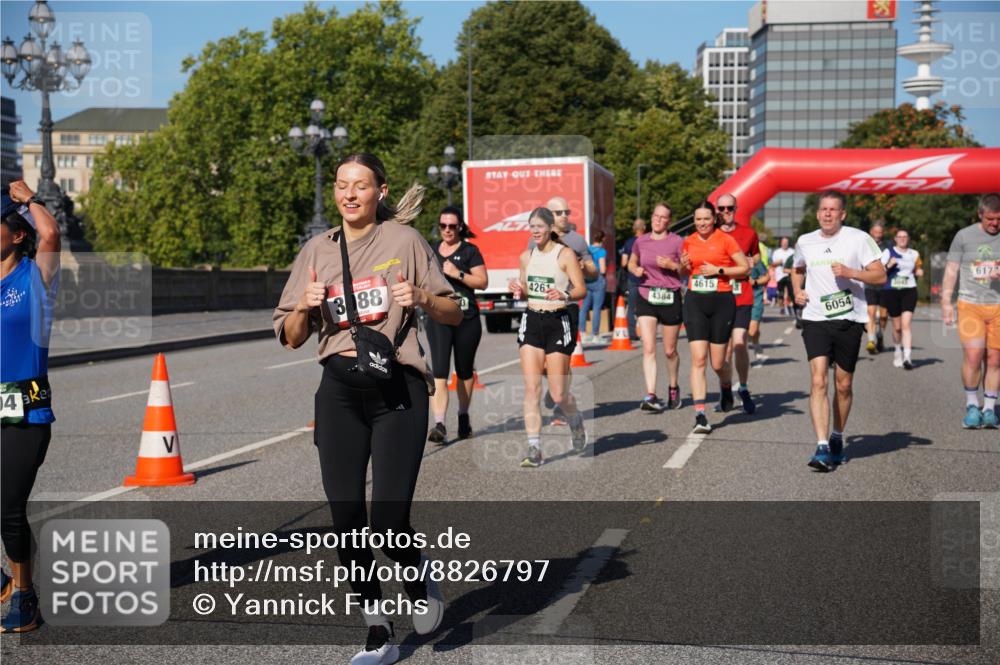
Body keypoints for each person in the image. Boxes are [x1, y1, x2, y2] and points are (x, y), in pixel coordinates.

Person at [273, 153, 461, 664]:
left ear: (381, 191)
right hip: (338, 392)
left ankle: (416, 580)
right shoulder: (317, 250)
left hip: (397, 390)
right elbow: (289, 337)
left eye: (360, 185)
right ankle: (377, 629)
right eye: (341, 185)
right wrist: (307, 308)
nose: (349, 194)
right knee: (347, 517)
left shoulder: (405, 242)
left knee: (388, 520)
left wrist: (421, 295)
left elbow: (454, 311)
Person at [1, 181, 60, 633]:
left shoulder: (34, 276)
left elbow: (52, 236)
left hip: (25, 408)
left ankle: (24, 595)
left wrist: (29, 200)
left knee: (8, 507)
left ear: (16, 234)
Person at [791, 191, 886, 472]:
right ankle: (821, 446)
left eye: (833, 209)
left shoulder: (859, 239)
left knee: (843, 385)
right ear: (818, 213)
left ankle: (836, 436)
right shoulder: (805, 241)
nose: (827, 214)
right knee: (819, 381)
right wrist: (798, 290)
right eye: (823, 209)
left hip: (849, 318)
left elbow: (880, 275)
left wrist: (851, 272)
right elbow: (796, 269)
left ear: (842, 214)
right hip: (815, 318)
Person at [509, 207, 587, 467]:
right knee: (532, 388)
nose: (535, 231)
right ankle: (534, 448)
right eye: (531, 227)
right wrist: (519, 291)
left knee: (558, 394)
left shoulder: (564, 255)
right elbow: (525, 288)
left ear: (551, 228)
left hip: (558, 321)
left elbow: (580, 289)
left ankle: (575, 421)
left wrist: (564, 295)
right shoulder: (525, 256)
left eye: (539, 227)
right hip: (532, 320)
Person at [680, 200, 750, 434]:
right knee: (698, 359)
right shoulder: (688, 241)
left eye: (706, 219)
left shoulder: (725, 239)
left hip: (721, 301)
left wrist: (719, 271)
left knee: (718, 363)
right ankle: (700, 414)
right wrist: (682, 266)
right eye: (698, 219)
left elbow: (744, 268)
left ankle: (727, 385)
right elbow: (683, 272)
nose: (701, 223)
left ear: (714, 219)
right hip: (695, 301)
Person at [425, 206, 488, 443]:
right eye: (443, 226)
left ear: (460, 226)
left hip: (467, 319)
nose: (448, 230)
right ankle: (439, 424)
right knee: (439, 371)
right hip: (439, 318)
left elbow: (482, 282)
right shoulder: (431, 251)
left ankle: (463, 415)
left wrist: (457, 273)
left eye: (452, 226)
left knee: (463, 371)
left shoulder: (470, 251)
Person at [941, 193, 1000, 430]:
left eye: (998, 220)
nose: (994, 224)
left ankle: (989, 409)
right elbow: (952, 269)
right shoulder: (964, 236)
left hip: (998, 306)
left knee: (995, 358)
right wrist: (946, 302)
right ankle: (972, 406)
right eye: (990, 219)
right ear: (980, 215)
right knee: (974, 356)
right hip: (970, 304)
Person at [628, 202, 684, 411]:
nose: (658, 220)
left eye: (663, 217)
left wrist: (672, 266)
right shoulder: (641, 241)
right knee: (649, 348)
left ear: (669, 221)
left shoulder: (677, 242)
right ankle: (651, 394)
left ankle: (673, 387)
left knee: (669, 351)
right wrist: (635, 270)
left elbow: (687, 269)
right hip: (646, 294)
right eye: (655, 216)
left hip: (670, 296)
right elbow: (632, 262)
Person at [716, 194, 760, 414]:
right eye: (721, 208)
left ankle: (743, 387)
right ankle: (725, 388)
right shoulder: (711, 235)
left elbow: (757, 255)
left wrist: (753, 261)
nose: (725, 212)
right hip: (718, 295)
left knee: (740, 341)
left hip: (741, 293)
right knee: (724, 351)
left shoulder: (748, 233)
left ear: (736, 208)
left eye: (729, 208)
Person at [880, 229, 923, 370]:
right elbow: (879, 271)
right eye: (900, 237)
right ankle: (898, 350)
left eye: (905, 236)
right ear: (895, 239)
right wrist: (888, 265)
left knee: (906, 325)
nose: (903, 239)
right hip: (891, 291)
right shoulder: (888, 252)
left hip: (909, 290)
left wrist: (919, 271)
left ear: (908, 238)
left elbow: (918, 268)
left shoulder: (914, 254)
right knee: (897, 327)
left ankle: (907, 357)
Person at [864, 221, 892, 354]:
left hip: (884, 285)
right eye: (875, 232)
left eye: (880, 232)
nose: (878, 235)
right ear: (871, 232)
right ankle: (871, 340)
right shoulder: (865, 246)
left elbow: (887, 263)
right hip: (869, 284)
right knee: (870, 313)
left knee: (883, 316)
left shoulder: (888, 246)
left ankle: (880, 335)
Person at [621, 217, 647, 341]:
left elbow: (623, 262)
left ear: (634, 229)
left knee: (631, 307)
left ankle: (632, 333)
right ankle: (647, 333)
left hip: (632, 278)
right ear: (644, 228)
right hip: (647, 279)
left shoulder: (628, 242)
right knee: (647, 307)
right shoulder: (648, 241)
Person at [579, 229, 607, 342]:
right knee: (596, 308)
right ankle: (595, 335)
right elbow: (603, 269)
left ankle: (582, 333)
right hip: (598, 280)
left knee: (584, 308)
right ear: (603, 239)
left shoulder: (588, 249)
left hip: (586, 280)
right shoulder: (601, 251)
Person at [748, 252, 770, 361]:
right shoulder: (732, 258)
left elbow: (767, 277)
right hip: (737, 299)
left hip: (755, 299)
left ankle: (756, 344)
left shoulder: (755, 260)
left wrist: (755, 282)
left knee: (752, 331)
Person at [771, 237, 794, 316]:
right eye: (783, 242)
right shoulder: (777, 252)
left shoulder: (792, 251)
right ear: (781, 243)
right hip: (780, 275)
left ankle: (789, 305)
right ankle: (782, 308)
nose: (785, 244)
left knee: (790, 293)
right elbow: (772, 264)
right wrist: (778, 262)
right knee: (780, 293)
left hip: (789, 275)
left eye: (786, 242)